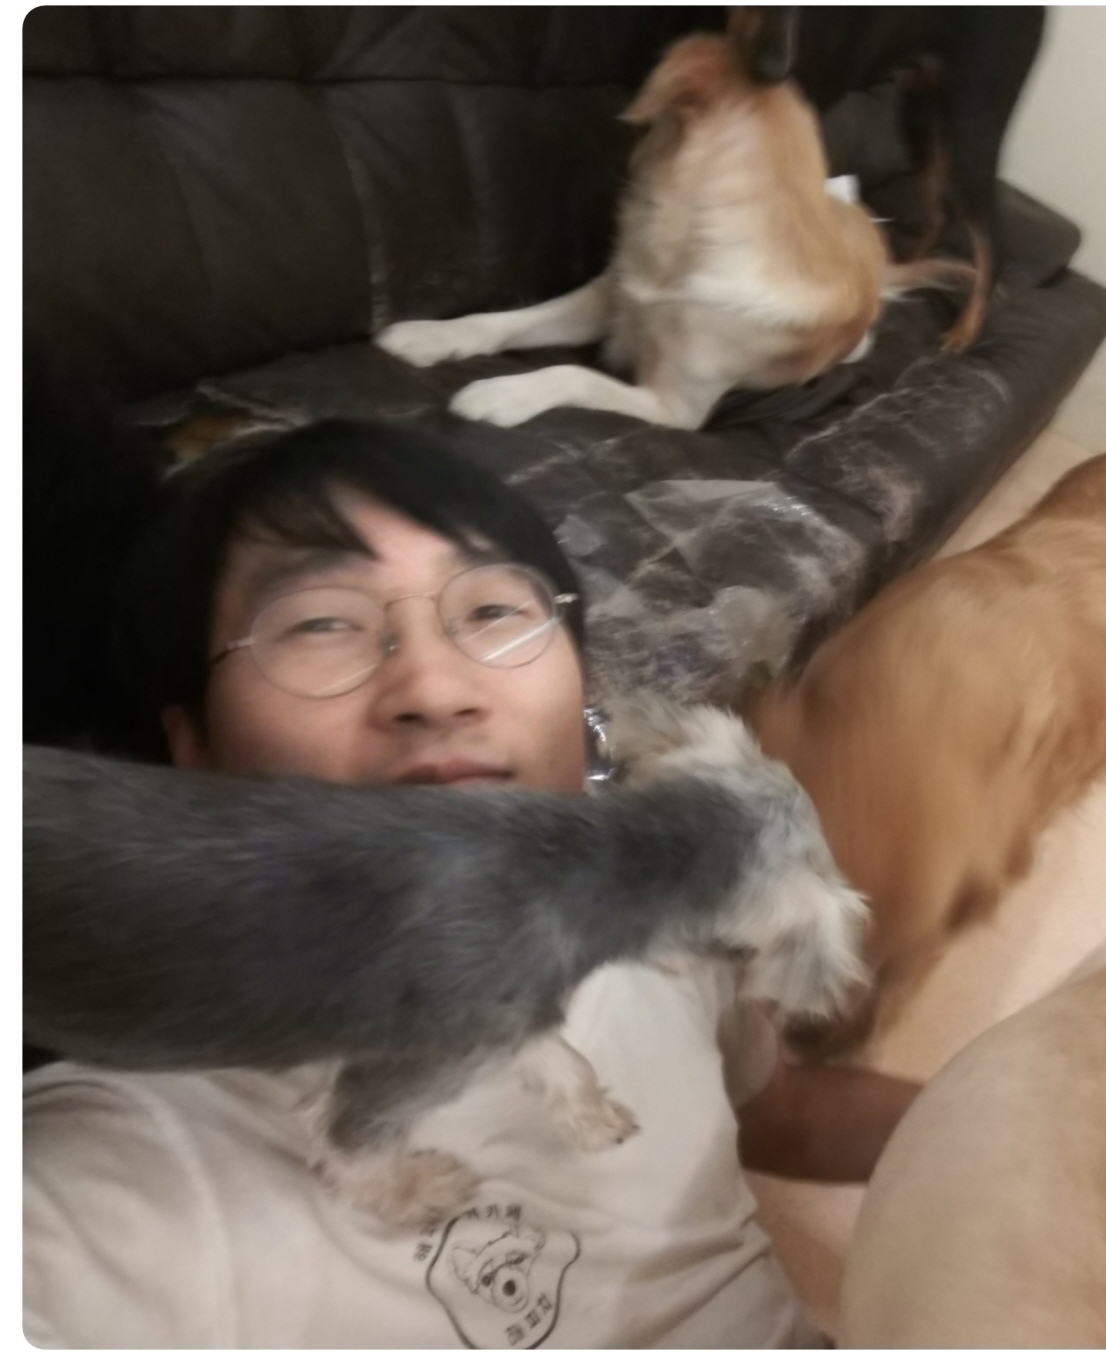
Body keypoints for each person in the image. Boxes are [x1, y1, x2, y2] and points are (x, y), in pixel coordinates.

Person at [23, 418, 920, 1348]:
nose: (434, 685)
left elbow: (777, 1111)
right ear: (194, 754)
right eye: (322, 622)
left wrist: (1004, 1118)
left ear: (583, 696)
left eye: (492, 610)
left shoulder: (676, 941)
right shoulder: (112, 1183)